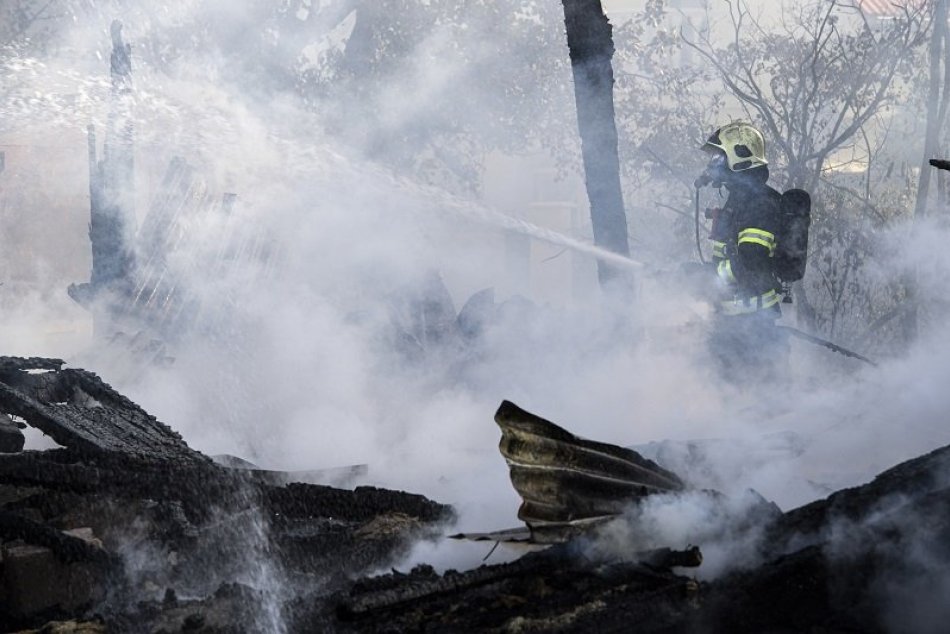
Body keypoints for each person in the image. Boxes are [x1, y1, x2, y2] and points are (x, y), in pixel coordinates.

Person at [697, 121, 788, 383]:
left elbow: (751, 263)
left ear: (740, 157)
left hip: (752, 331)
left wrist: (704, 276)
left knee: (755, 406)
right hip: (736, 325)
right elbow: (732, 257)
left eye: (718, 157)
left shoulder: (759, 204)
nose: (712, 164)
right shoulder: (741, 200)